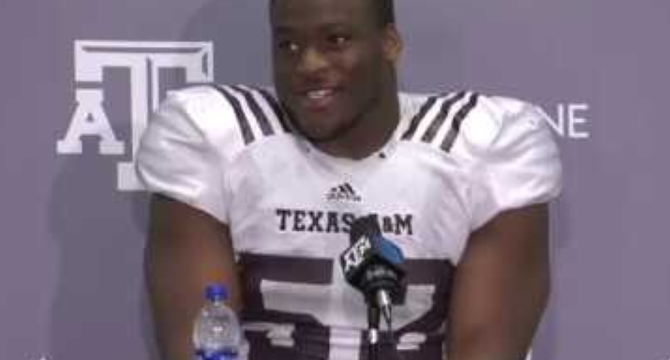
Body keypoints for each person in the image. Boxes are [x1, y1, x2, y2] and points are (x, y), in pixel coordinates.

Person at [136, 0, 562, 359]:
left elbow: (485, 349)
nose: (308, 64)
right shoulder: (217, 138)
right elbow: (201, 345)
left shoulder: (482, 148)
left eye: (335, 40)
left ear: (389, 44)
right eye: (288, 44)